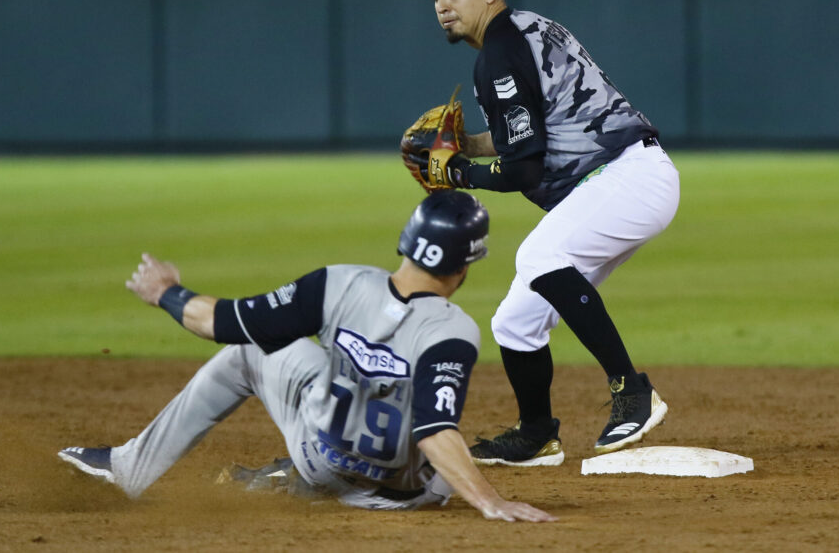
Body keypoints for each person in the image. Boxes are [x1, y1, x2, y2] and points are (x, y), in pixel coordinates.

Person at [57, 191, 555, 522]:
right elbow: (434, 430)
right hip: (404, 494)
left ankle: (129, 470)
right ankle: (287, 480)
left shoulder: (337, 283)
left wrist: (166, 292)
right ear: (464, 266)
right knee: (432, 425)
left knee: (248, 349)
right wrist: (490, 502)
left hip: (321, 459)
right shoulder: (454, 331)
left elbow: (222, 322)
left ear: (406, 243)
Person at [409, 0, 680, 466]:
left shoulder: (498, 55)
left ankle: (632, 392)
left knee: (539, 258)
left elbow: (524, 171)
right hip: (621, 179)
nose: (443, 4)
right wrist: (465, 146)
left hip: (625, 177)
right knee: (515, 321)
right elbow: (530, 138)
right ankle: (536, 434)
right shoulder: (521, 31)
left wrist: (457, 173)